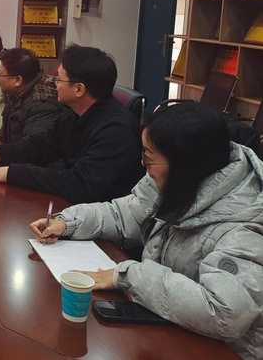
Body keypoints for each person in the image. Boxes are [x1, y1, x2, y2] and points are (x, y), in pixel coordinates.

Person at [29, 102, 263, 360]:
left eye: (149, 158)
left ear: (183, 163)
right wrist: (68, 222)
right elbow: (125, 213)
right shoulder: (180, 179)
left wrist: (130, 275)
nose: (143, 166)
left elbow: (224, 313)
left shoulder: (245, 225)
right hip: (169, 332)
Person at [0, 44, 143, 204]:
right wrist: (0, 154)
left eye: (60, 79)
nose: (54, 83)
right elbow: (41, 144)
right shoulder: (76, 115)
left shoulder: (116, 131)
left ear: (79, 89)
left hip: (101, 213)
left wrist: (13, 173)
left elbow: (79, 183)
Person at [0, 47, 68, 145]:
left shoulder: (42, 104)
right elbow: (3, 136)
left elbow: (32, 148)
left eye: (0, 74)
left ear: (18, 80)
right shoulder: (14, 94)